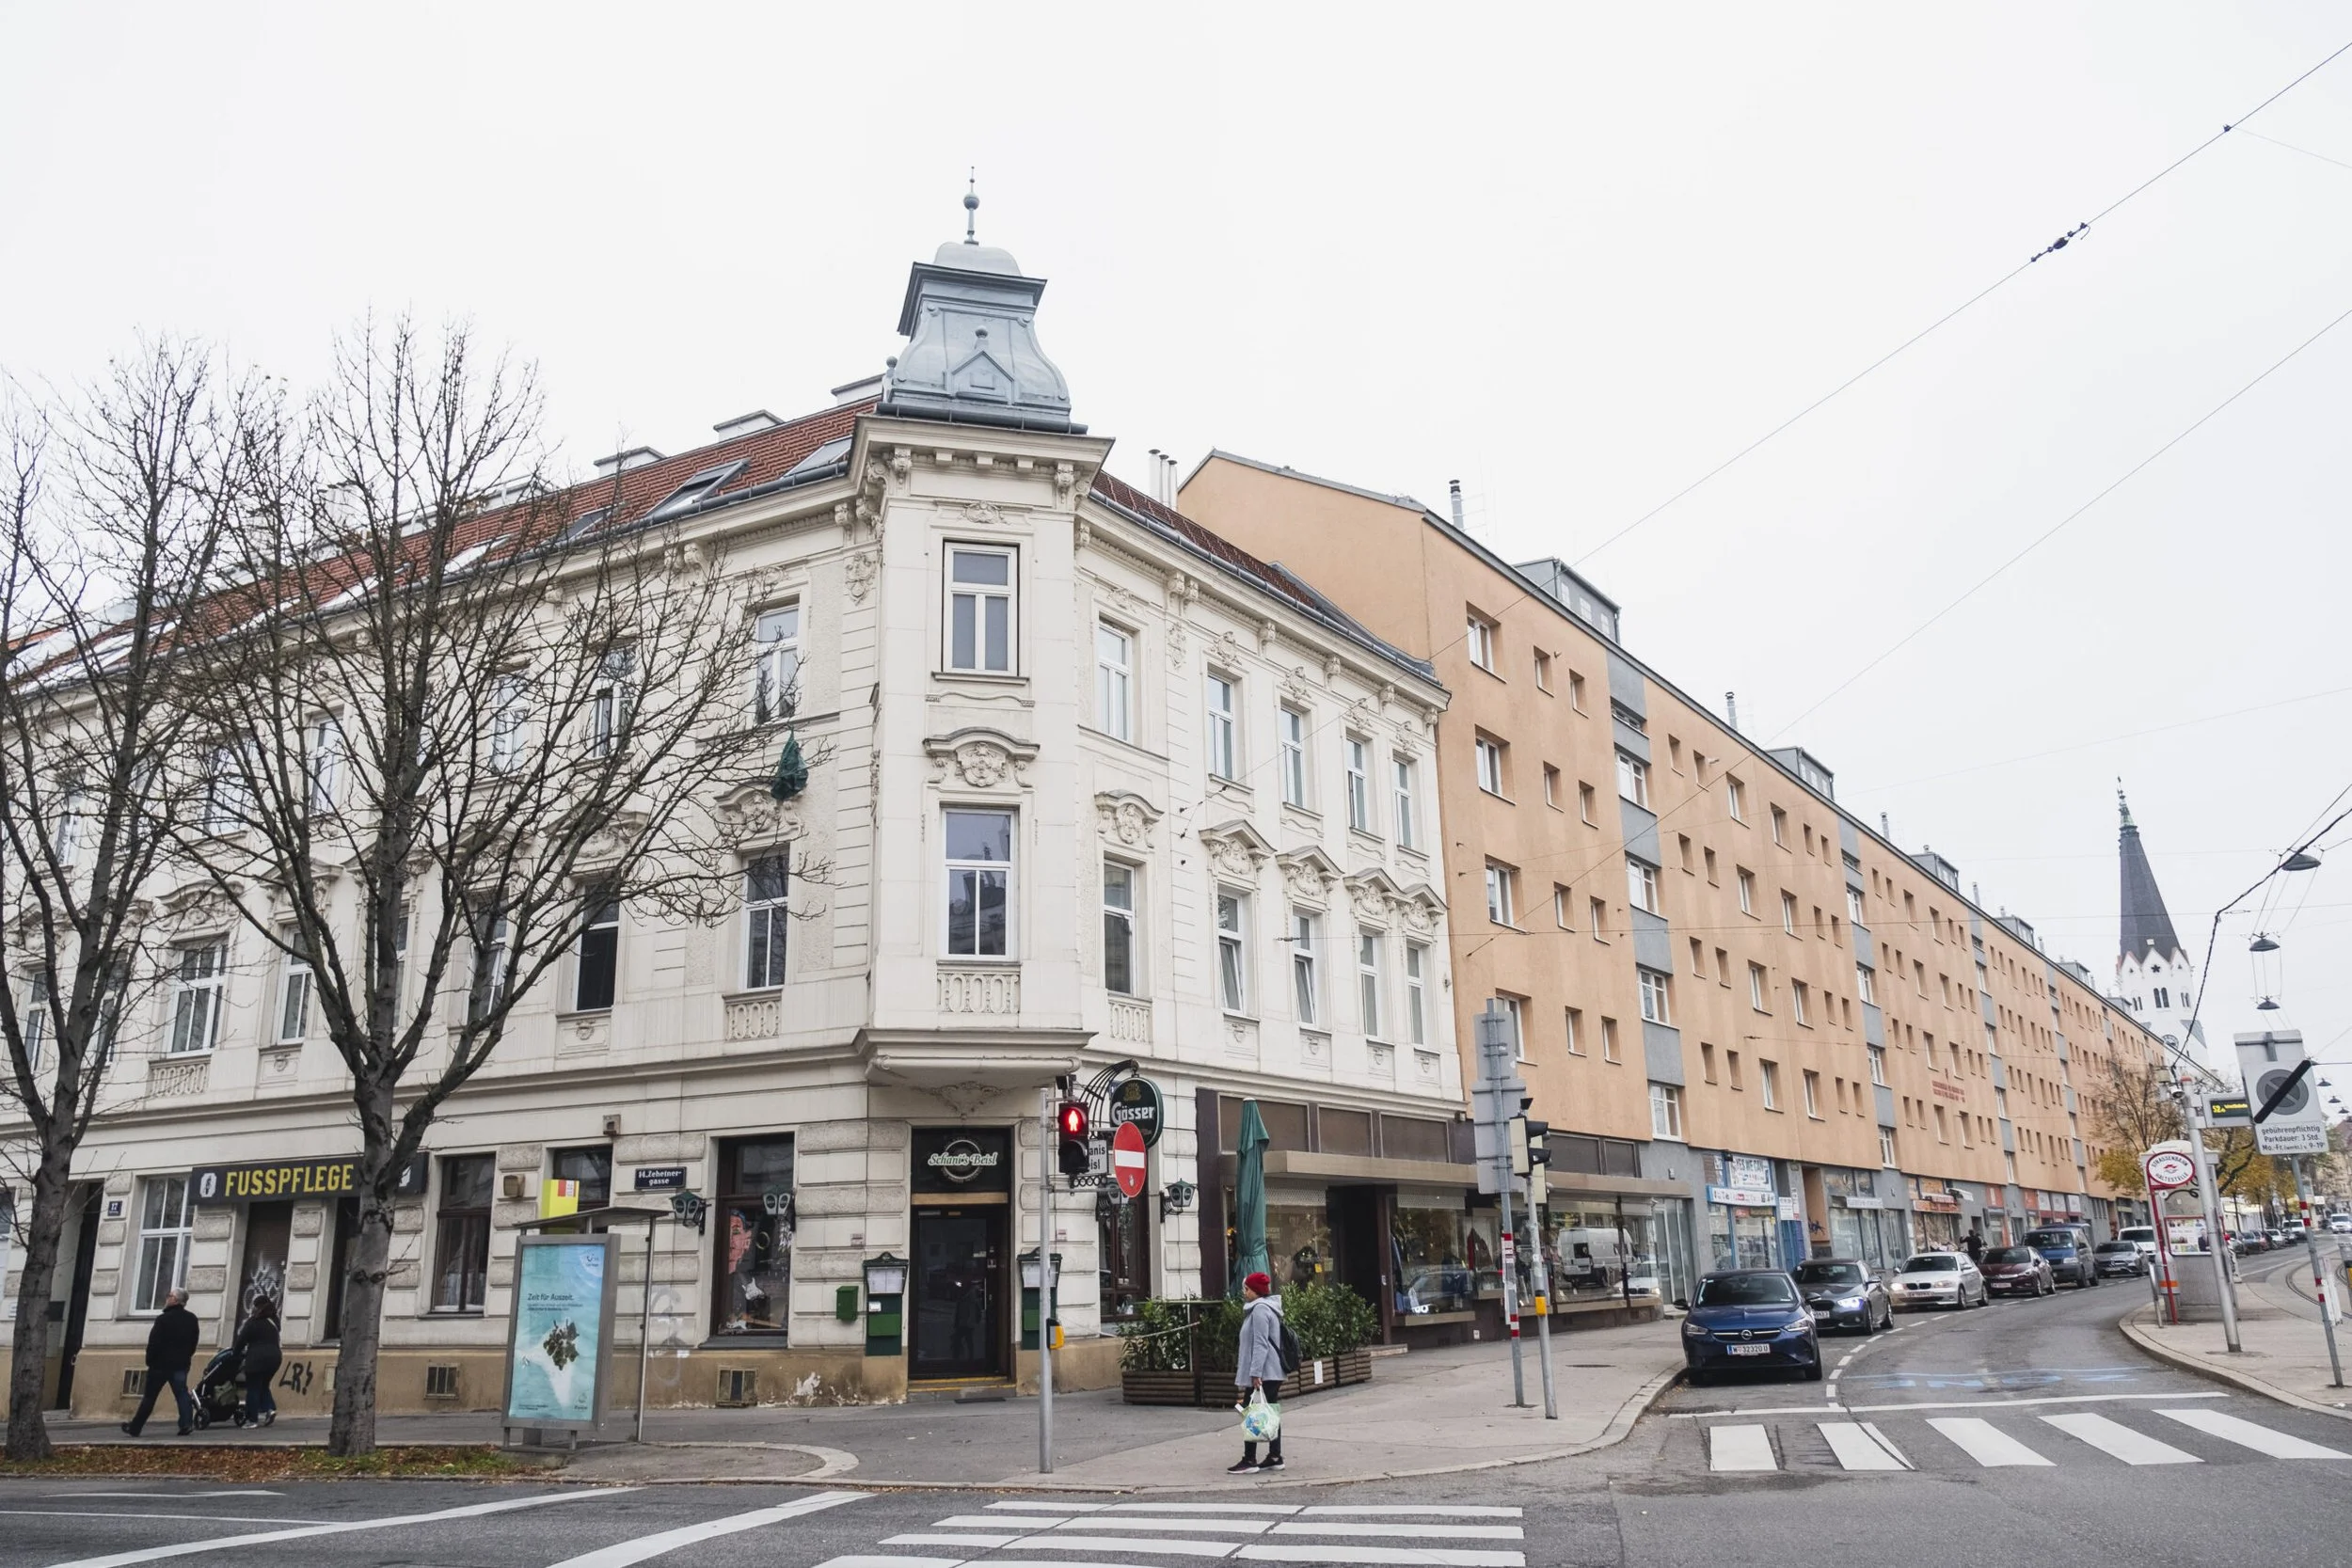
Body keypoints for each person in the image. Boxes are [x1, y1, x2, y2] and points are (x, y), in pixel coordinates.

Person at [121, 1287, 200, 1436]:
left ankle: (135, 1427)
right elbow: (193, 1343)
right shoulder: (191, 1319)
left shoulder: (163, 1319)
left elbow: (154, 1342)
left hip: (160, 1365)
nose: (167, 1298)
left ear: (175, 1300)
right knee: (182, 1394)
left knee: (150, 1397)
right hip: (181, 1364)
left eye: (169, 1296)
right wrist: (186, 1357)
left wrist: (150, 1360)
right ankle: (186, 1424)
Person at [1229, 1271, 1287, 1475]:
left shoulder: (1260, 1309)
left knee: (1251, 1413)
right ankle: (1275, 1457)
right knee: (1268, 1413)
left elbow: (1261, 1344)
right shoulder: (1264, 1308)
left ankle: (1249, 1460)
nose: (1245, 1292)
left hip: (1265, 1373)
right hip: (1270, 1372)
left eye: (1247, 1289)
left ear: (1256, 1290)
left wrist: (1255, 1374)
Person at [234, 1295, 282, 1427]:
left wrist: (235, 1354)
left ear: (256, 1307)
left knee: (253, 1388)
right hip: (275, 1357)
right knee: (264, 1385)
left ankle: (252, 1420)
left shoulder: (253, 1322)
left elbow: (241, 1340)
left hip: (257, 1358)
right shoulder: (274, 1321)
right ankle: (270, 1409)